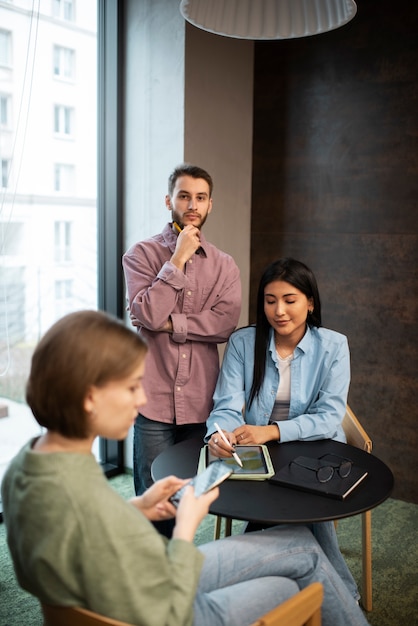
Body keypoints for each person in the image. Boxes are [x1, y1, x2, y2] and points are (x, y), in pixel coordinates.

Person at [1, 310, 370, 626]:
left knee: (299, 544)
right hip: (172, 607)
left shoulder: (27, 465)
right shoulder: (87, 503)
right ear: (90, 397)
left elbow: (82, 532)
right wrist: (186, 526)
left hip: (128, 584)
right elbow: (172, 610)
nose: (143, 398)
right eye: (132, 387)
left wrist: (135, 509)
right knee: (292, 583)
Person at [205, 257, 359, 601]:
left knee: (306, 505)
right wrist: (221, 433)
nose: (279, 311)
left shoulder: (334, 345)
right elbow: (227, 404)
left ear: (310, 302)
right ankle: (337, 595)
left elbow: (329, 416)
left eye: (290, 300)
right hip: (256, 452)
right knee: (286, 507)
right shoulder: (244, 343)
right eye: (270, 300)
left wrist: (272, 431)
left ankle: (322, 591)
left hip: (316, 448)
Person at [122, 163, 241, 506]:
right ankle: (153, 560)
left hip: (201, 402)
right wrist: (176, 260)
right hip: (152, 399)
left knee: (190, 498)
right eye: (184, 196)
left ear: (209, 204)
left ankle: (179, 558)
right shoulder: (140, 255)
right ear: (168, 200)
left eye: (200, 198)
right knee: (152, 498)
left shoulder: (225, 265)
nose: (192, 205)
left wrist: (167, 323)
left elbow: (224, 325)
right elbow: (145, 313)